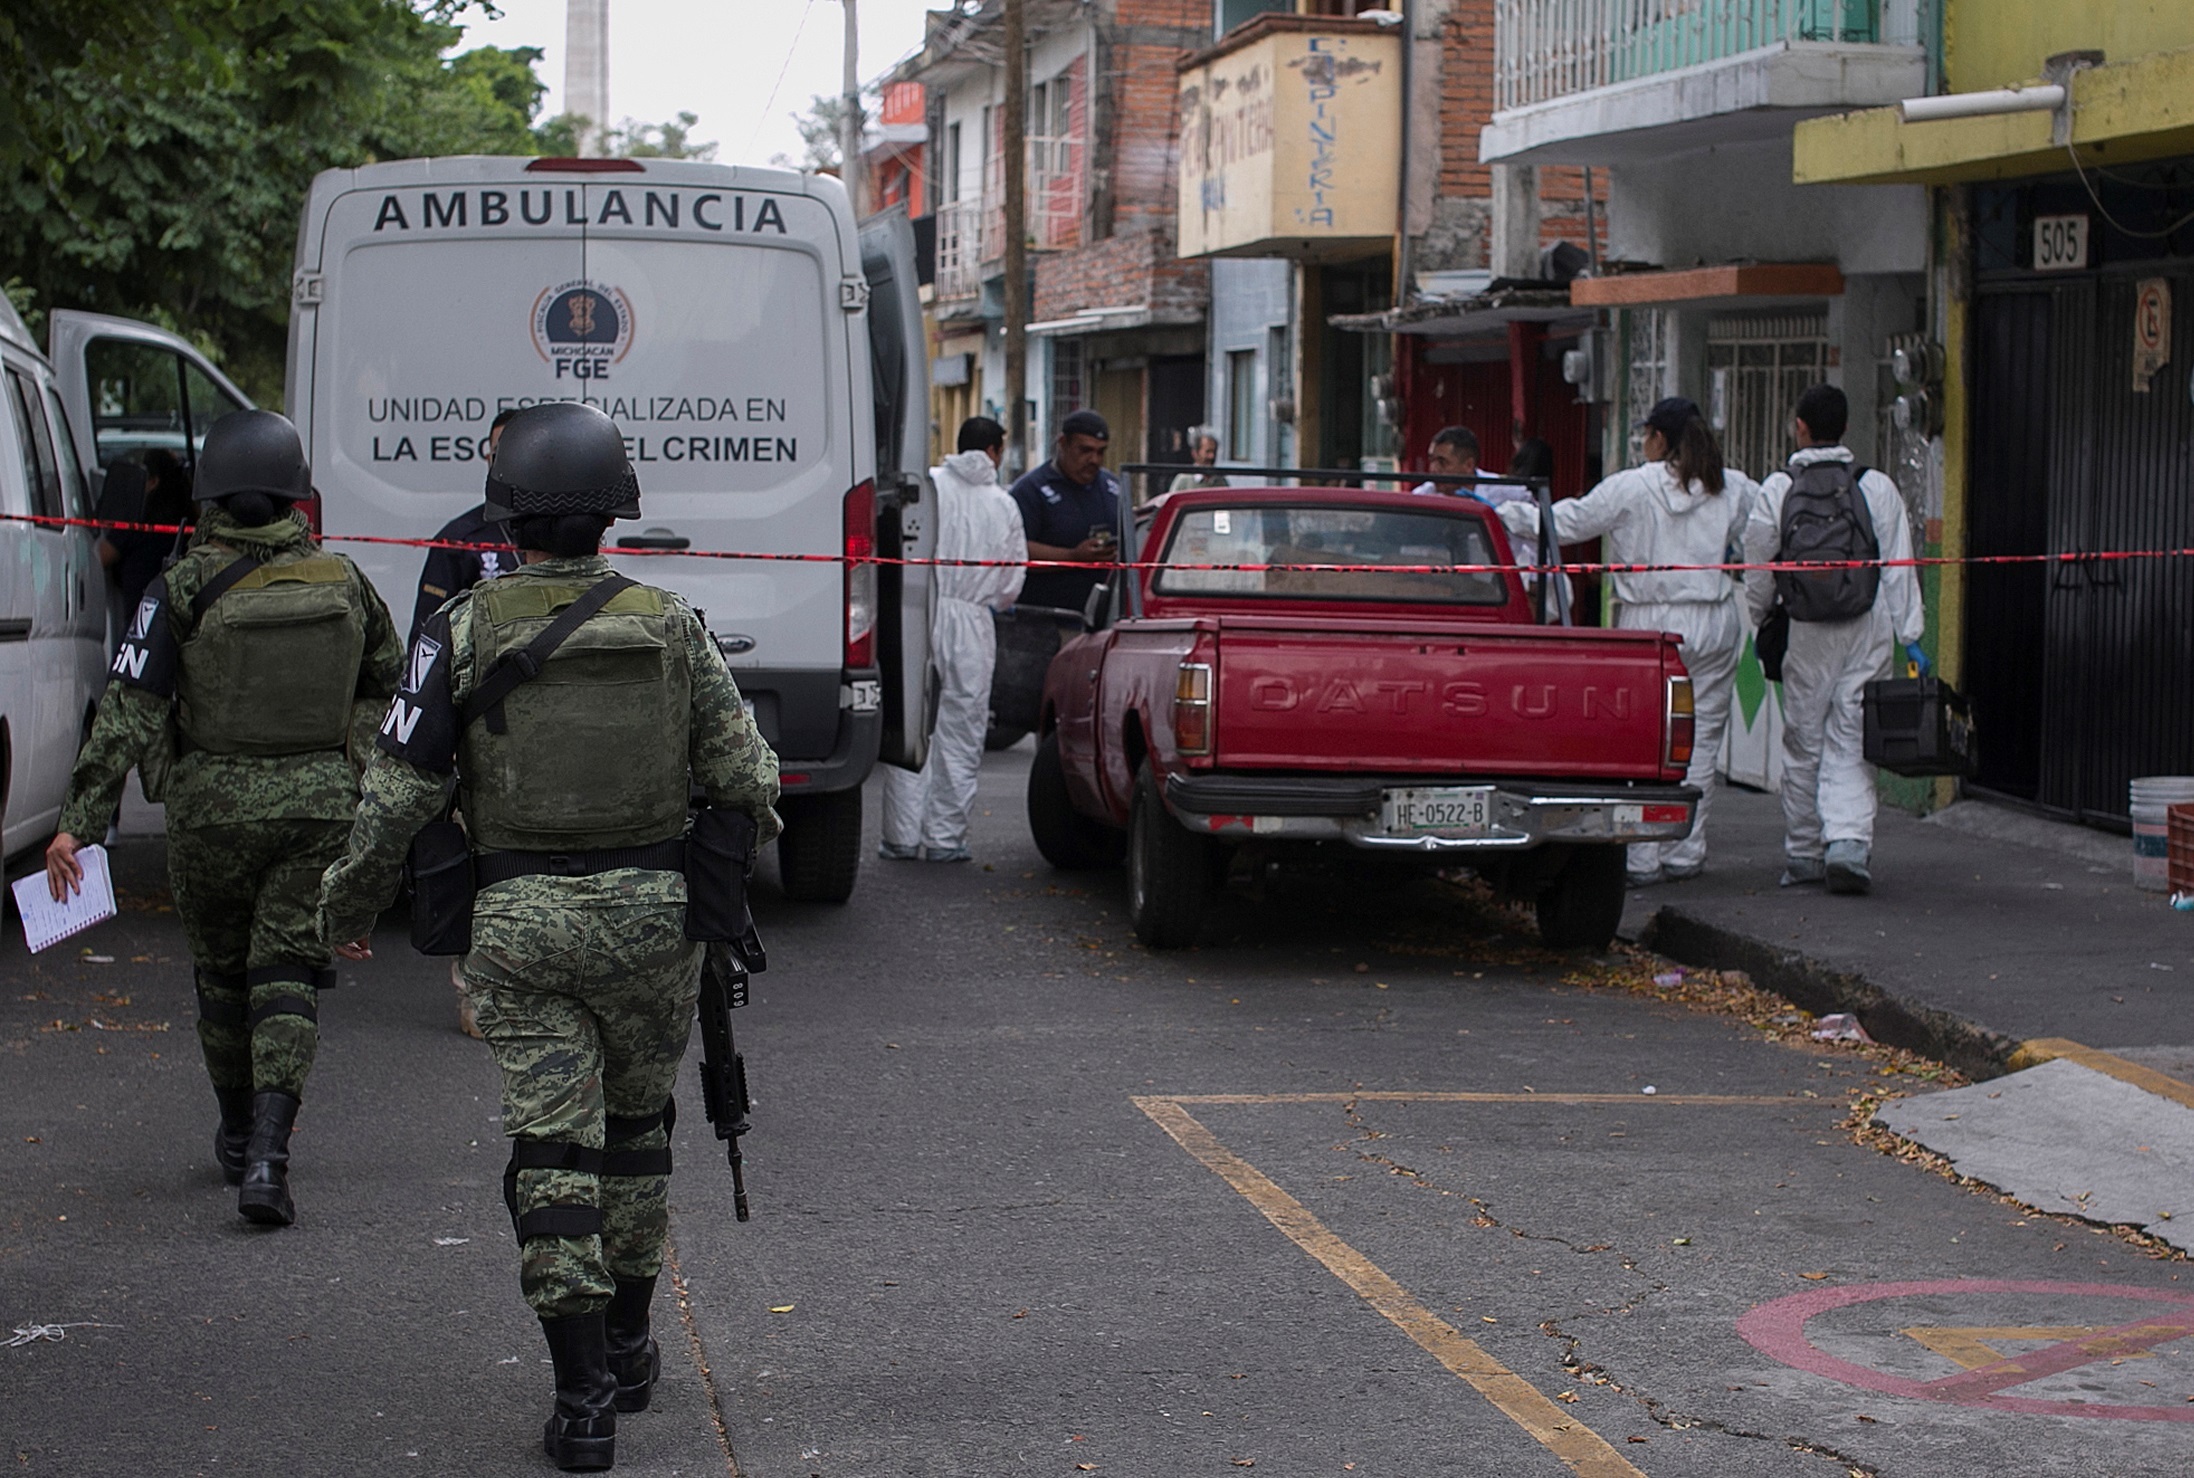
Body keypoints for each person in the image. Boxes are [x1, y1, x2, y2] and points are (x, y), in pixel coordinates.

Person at [317, 400, 781, 1471]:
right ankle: (628, 1337)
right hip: (658, 926)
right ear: (616, 512)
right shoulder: (670, 621)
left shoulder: (463, 627)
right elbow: (749, 782)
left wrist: (342, 907)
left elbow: (395, 793)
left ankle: (582, 1403)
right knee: (636, 1130)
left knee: (552, 1147)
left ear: (505, 511)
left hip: (519, 927)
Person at [45, 410, 403, 1228]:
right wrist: (355, 764)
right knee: (286, 974)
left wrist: (79, 821)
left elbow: (132, 706)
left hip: (209, 812)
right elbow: (392, 685)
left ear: (208, 495)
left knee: (221, 978)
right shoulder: (344, 581)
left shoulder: (178, 587)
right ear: (294, 495)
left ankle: (238, 1131)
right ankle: (273, 1155)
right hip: (318, 809)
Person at [1500, 398, 1754, 884]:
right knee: (1700, 743)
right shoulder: (1733, 486)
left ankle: (1642, 858)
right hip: (1715, 619)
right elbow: (1765, 529)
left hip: (1651, 624)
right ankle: (1685, 852)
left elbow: (1566, 522)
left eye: (1645, 435)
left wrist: (1501, 512)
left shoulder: (1632, 487)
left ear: (1659, 439)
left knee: (1646, 744)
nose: (1642, 443)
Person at [1743, 383, 1925, 896]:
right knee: (1852, 736)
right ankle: (1847, 843)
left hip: (1805, 629)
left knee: (1804, 739)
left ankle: (1804, 852)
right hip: (1866, 626)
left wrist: (1761, 619)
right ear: (1845, 428)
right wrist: (1911, 636)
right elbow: (1898, 565)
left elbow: (1758, 567)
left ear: (1800, 427)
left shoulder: (1778, 489)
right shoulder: (1876, 487)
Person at [414, 407, 522, 1039]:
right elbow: (424, 648)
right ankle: (473, 992)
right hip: (476, 737)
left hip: (543, 742)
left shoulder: (561, 539)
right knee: (474, 866)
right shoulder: (459, 539)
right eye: (494, 452)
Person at [881, 417, 1026, 863]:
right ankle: (945, 837)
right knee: (962, 729)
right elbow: (1010, 582)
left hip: (918, 612)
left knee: (911, 724)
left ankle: (901, 835)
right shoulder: (1003, 504)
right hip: (971, 620)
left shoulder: (928, 487)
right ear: (994, 451)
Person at [411, 407, 522, 637]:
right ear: (488, 459)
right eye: (498, 453)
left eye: (516, 452)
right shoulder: (458, 540)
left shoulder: (559, 532)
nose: (507, 464)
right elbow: (427, 635)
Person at [1008, 408, 1122, 616]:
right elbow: (1014, 550)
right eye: (1085, 450)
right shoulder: (1031, 490)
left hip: (1103, 620)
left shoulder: (1112, 486)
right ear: (1062, 444)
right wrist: (1072, 557)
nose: (1094, 460)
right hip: (1046, 621)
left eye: (1100, 452)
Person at [98, 448, 192, 616]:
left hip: (141, 621)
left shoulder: (137, 523)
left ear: (153, 481)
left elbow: (100, 558)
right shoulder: (189, 521)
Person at [1168, 427, 1228, 493]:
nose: (1212, 456)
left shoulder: (1221, 482)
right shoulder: (1183, 480)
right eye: (1208, 452)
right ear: (1195, 453)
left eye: (1214, 452)